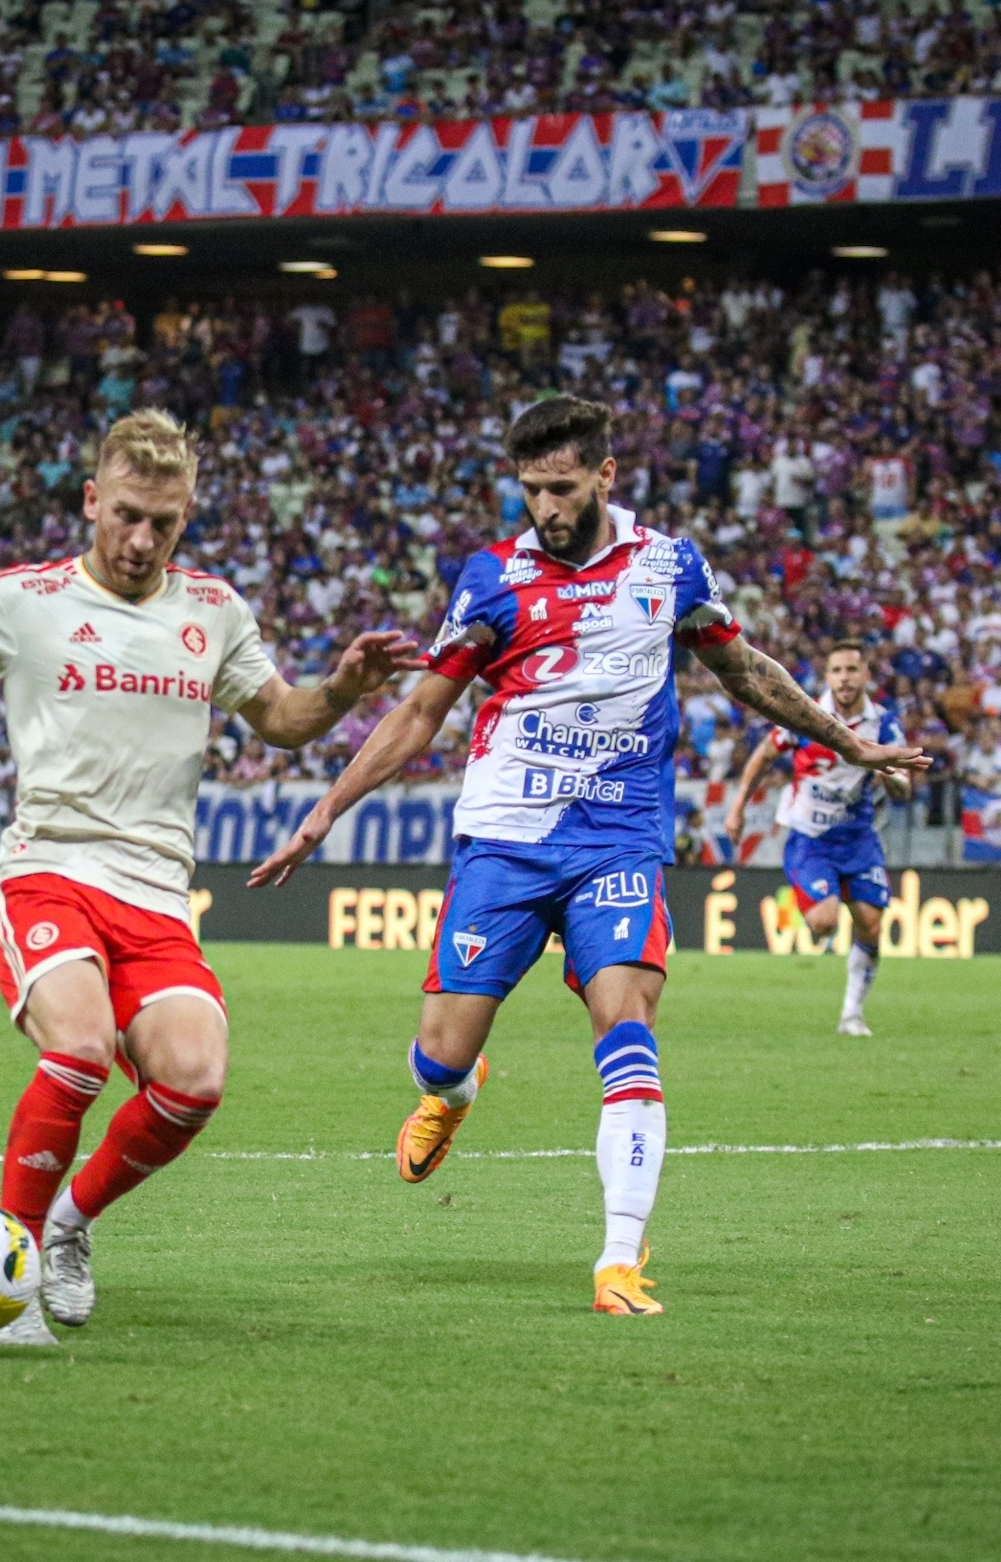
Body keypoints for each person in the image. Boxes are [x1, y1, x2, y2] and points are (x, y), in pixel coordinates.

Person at [0, 409, 418, 1346]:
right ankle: (10, 1273)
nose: (142, 540)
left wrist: (341, 687)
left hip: (154, 890)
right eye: (128, 514)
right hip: (48, 870)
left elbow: (284, 717)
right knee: (82, 1048)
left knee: (194, 1079)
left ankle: (66, 1225)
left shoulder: (212, 611)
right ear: (92, 500)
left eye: (165, 523)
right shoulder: (24, 600)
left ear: (186, 518)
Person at [250, 396, 926, 1317]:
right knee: (440, 1054)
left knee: (628, 1025)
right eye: (530, 489)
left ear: (605, 476)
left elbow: (744, 669)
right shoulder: (490, 578)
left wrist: (845, 740)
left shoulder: (667, 565)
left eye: (561, 487)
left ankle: (617, 1260)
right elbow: (419, 714)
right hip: (505, 841)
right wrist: (324, 811)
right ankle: (453, 1093)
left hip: (618, 840)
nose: (545, 506)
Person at [723, 642, 911, 1038]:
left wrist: (893, 778)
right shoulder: (806, 715)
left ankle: (851, 1015)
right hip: (810, 836)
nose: (845, 678)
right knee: (823, 924)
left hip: (859, 837)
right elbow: (763, 755)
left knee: (872, 926)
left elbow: (903, 790)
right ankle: (819, 896)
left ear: (865, 675)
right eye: (837, 670)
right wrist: (738, 805)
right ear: (827, 677)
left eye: (852, 670)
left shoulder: (883, 726)